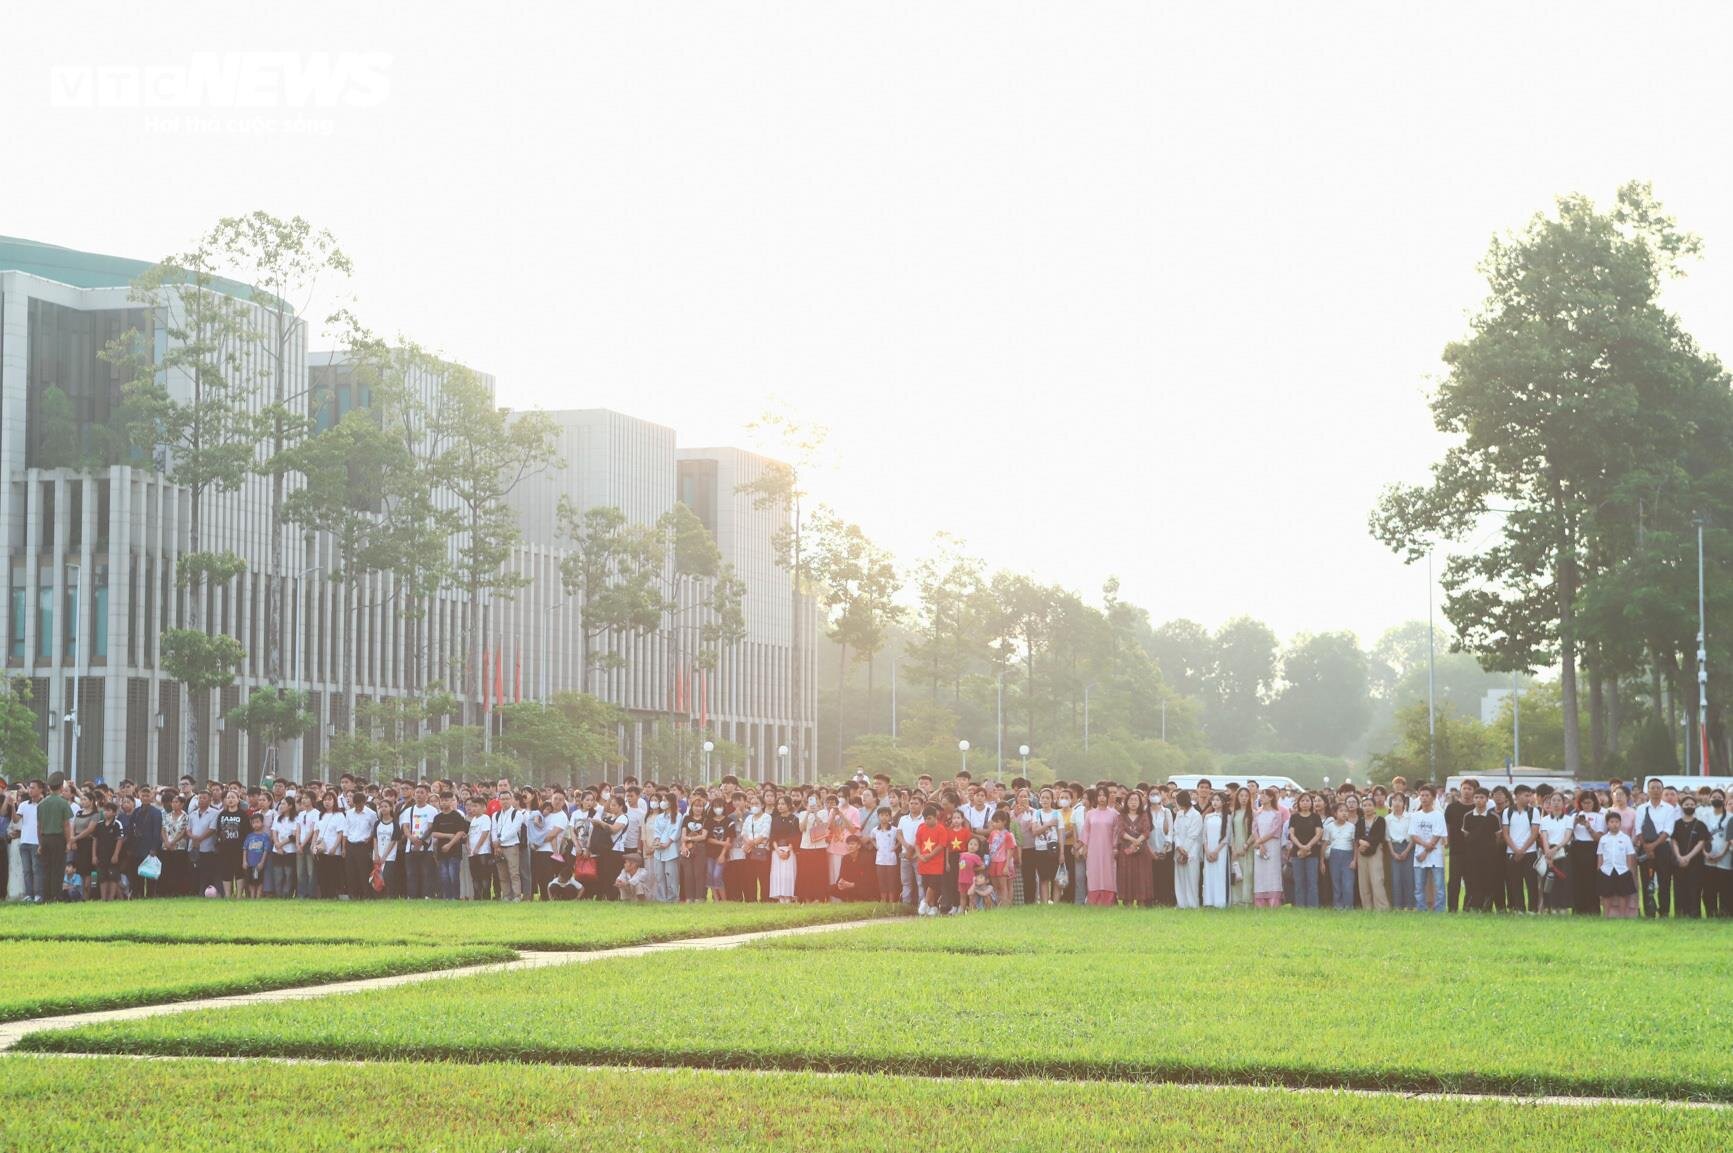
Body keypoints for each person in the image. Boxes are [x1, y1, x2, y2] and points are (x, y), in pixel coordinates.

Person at [1634, 778, 1679, 918]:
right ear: (1647, 791)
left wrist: (1653, 846)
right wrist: (1647, 847)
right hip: (1645, 846)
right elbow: (1638, 829)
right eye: (1652, 788)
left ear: (1662, 790)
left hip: (1663, 847)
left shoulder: (1669, 809)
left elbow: (1668, 830)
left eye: (1658, 788)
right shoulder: (1641, 809)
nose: (1655, 790)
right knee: (1646, 880)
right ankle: (1649, 912)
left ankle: (1664, 911)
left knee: (1665, 881)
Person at [1459, 790, 1502, 912]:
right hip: (1472, 855)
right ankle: (1474, 906)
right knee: (1473, 880)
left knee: (1488, 880)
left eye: (1482, 797)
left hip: (1489, 855)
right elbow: (1466, 835)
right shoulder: (1467, 816)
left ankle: (1486, 907)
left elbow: (1498, 837)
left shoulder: (1494, 817)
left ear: (1487, 799)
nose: (1479, 800)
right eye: (1476, 797)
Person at [1535, 791, 1575, 914]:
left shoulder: (1568, 819)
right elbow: (1544, 837)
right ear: (1549, 803)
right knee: (1548, 881)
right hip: (1548, 852)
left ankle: (1562, 908)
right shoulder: (1545, 820)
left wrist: (1555, 849)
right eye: (1553, 801)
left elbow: (1567, 837)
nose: (1556, 803)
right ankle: (1548, 907)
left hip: (1563, 851)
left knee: (1563, 881)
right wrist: (1548, 853)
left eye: (1559, 800)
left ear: (1564, 803)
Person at [35, 776, 73, 904]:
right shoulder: (63, 803)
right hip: (58, 838)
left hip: (45, 838)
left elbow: (39, 826)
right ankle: (56, 896)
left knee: (46, 868)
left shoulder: (42, 804)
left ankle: (46, 896)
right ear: (61, 788)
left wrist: (40, 843)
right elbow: (66, 825)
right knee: (58, 868)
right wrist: (68, 842)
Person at [1410, 785, 1447, 913]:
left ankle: (1439, 909)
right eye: (1422, 795)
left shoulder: (1438, 815)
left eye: (1427, 795)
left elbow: (1437, 835)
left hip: (1435, 855)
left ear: (1433, 798)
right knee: (1419, 886)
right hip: (1419, 855)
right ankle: (1421, 908)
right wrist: (1424, 847)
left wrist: (1426, 850)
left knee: (1439, 885)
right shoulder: (1415, 816)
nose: (1424, 798)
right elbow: (1413, 835)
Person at [1503, 786, 1540, 914]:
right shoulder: (1507, 811)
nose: (1528, 798)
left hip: (1529, 852)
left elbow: (1534, 833)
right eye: (1525, 795)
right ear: (1517, 796)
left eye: (1530, 795)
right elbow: (1506, 833)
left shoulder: (1533, 811)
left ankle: (1532, 909)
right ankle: (1519, 908)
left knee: (1531, 882)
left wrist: (1522, 850)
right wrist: (1515, 850)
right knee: (1515, 882)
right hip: (1512, 852)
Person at [1082, 787, 1121, 907]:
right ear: (1096, 798)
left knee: (1109, 873)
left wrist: (1115, 847)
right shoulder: (1090, 814)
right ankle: (1094, 900)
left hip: (1108, 849)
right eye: (1099, 795)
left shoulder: (1114, 814)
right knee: (1093, 872)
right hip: (1093, 849)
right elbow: (1086, 832)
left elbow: (1117, 832)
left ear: (1108, 797)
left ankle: (1109, 900)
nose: (1102, 798)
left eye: (1104, 795)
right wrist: (1085, 847)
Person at [1568, 791, 1605, 917]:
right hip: (1577, 847)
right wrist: (1574, 823)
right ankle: (1578, 908)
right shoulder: (1575, 815)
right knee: (1577, 879)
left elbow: (1598, 837)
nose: (1587, 805)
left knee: (1591, 879)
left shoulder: (1599, 817)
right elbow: (1568, 835)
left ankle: (1593, 908)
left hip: (1592, 848)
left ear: (1594, 803)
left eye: (1589, 802)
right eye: (1584, 803)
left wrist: (1588, 827)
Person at [1597, 811, 1639, 918]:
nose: (1614, 824)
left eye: (1617, 822)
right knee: (1607, 894)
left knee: (1623, 894)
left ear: (1620, 824)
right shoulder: (1603, 839)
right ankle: (1606, 915)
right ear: (1607, 824)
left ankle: (1622, 915)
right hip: (1607, 869)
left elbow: (1629, 855)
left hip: (1622, 870)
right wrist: (1599, 868)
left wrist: (1629, 869)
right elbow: (1600, 855)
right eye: (1611, 822)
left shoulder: (1625, 838)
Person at [1672, 798, 1708, 918]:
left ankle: (1694, 913)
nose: (1689, 806)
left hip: (1695, 862)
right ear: (1682, 806)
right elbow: (1674, 841)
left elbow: (1701, 842)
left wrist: (1688, 857)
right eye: (1687, 804)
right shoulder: (1676, 823)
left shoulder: (1700, 824)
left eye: (1692, 804)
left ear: (1695, 806)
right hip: (1679, 861)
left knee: (1694, 887)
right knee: (1679, 887)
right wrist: (1679, 856)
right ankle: (1680, 913)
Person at [1117, 791, 1154, 908]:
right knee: (1127, 874)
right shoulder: (1121, 816)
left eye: (1136, 800)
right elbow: (1121, 831)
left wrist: (1138, 841)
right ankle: (1127, 901)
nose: (1133, 802)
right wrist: (1133, 840)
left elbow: (1147, 831)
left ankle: (1141, 901)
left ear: (1140, 802)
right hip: (1126, 850)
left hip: (1141, 851)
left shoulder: (1144, 815)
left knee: (1141, 875)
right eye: (1131, 800)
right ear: (1126, 802)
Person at [1287, 792, 1322, 909]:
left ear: (1311, 803)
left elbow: (1318, 834)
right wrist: (1301, 846)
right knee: (1299, 881)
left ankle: (1313, 906)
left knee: (1312, 881)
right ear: (1299, 803)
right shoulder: (1294, 817)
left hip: (1313, 853)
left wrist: (1308, 846)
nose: (1305, 803)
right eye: (1302, 801)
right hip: (1297, 853)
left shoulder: (1316, 817)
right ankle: (1300, 906)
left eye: (1307, 800)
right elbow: (1291, 834)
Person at [1251, 786, 1285, 907]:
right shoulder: (1257, 813)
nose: (1262, 797)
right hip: (1260, 846)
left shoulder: (1277, 813)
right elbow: (1254, 829)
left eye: (1264, 795)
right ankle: (1260, 901)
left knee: (1272, 871)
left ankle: (1273, 900)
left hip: (1272, 845)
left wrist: (1260, 842)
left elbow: (1274, 831)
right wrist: (1259, 844)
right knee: (1260, 872)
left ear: (1271, 798)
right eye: (1261, 795)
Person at [1354, 796, 1389, 911]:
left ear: (1374, 807)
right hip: (1361, 852)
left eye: (1369, 805)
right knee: (1363, 882)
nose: (1367, 808)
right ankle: (1367, 908)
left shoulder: (1380, 820)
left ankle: (1381, 908)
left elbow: (1379, 836)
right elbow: (1357, 836)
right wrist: (1361, 842)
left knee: (1377, 880)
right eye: (1364, 805)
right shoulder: (1360, 821)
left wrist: (1366, 843)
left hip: (1375, 851)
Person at [1171, 789, 1204, 909]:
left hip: (1192, 851)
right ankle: (1181, 903)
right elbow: (1176, 832)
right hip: (1179, 850)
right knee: (1180, 879)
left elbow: (1193, 835)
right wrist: (1179, 847)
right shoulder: (1179, 814)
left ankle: (1192, 904)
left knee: (1191, 879)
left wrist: (1185, 850)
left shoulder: (1196, 815)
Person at [344, 790, 380, 901]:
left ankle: (366, 895)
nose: (358, 807)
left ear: (364, 803)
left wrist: (369, 839)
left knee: (363, 871)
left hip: (363, 845)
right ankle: (353, 895)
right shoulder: (349, 813)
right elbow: (346, 830)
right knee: (351, 871)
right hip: (351, 844)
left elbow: (375, 830)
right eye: (356, 804)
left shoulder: (371, 814)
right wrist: (344, 847)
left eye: (360, 804)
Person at [1324, 800, 1357, 910]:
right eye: (1341, 811)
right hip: (1334, 855)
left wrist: (1354, 860)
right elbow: (1325, 844)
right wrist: (1321, 861)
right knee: (1336, 882)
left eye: (1346, 811)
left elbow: (1355, 844)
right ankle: (1338, 906)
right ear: (1335, 813)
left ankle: (1348, 906)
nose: (1344, 813)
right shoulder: (1329, 827)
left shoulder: (1351, 827)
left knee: (1348, 883)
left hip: (1348, 855)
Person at [1384, 792, 1414, 911]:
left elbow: (1413, 836)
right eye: (1394, 800)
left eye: (1400, 800)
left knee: (1409, 878)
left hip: (1408, 848)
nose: (1397, 803)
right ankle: (1397, 906)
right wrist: (1393, 853)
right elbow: (1387, 838)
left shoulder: (1410, 817)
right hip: (1394, 848)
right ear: (1391, 803)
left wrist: (1406, 851)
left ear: (1404, 803)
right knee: (1396, 879)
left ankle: (1410, 905)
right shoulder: (1388, 819)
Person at [1704, 794, 1732, 917]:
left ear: (1724, 800)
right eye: (1714, 796)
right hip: (1708, 857)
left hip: (1725, 857)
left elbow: (1729, 838)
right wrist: (1705, 853)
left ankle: (1725, 913)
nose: (1717, 799)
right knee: (1709, 887)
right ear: (1710, 799)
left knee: (1725, 887)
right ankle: (1711, 912)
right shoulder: (1705, 816)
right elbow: (1701, 837)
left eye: (1719, 797)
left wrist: (1721, 854)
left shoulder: (1730, 817)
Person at [1201, 792, 1230, 909]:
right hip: (1208, 850)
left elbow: (1227, 837)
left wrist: (1216, 851)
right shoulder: (1208, 816)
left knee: (1220, 874)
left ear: (1223, 802)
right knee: (1209, 874)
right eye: (1213, 800)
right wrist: (1207, 850)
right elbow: (1204, 836)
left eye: (1217, 800)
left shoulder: (1227, 817)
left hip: (1221, 851)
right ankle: (1209, 901)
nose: (1215, 802)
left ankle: (1220, 901)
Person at [768, 797, 799, 903]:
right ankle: (780, 897)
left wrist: (788, 851)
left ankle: (789, 896)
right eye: (779, 804)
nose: (780, 806)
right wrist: (777, 850)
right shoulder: (775, 820)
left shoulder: (794, 819)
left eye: (783, 804)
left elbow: (795, 836)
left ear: (789, 805)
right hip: (777, 851)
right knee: (778, 874)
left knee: (788, 873)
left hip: (789, 850)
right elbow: (772, 836)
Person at [464, 797, 494, 900]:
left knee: (484, 875)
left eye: (475, 806)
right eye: (472, 806)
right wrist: (468, 844)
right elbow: (470, 834)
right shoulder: (473, 820)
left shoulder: (485, 818)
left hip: (483, 852)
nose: (473, 808)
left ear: (483, 808)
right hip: (472, 853)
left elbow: (485, 833)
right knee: (475, 876)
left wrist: (477, 847)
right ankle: (477, 896)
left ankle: (486, 896)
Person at [269, 799, 299, 899]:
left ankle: (287, 895)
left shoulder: (296, 819)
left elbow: (294, 835)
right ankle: (278, 895)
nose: (281, 806)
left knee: (288, 874)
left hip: (290, 850)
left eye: (283, 804)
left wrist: (280, 844)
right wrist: (277, 845)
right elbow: (274, 832)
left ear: (290, 806)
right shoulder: (277, 818)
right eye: (280, 804)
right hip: (277, 850)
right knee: (278, 875)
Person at [242, 813, 271, 899]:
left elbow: (266, 850)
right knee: (251, 880)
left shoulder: (265, 836)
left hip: (259, 863)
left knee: (259, 880)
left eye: (258, 822)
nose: (255, 824)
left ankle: (258, 895)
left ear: (262, 823)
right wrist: (244, 861)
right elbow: (245, 849)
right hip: (250, 862)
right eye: (253, 822)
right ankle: (252, 896)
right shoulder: (249, 836)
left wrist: (262, 862)